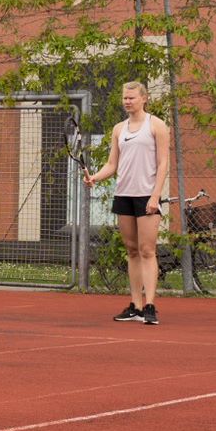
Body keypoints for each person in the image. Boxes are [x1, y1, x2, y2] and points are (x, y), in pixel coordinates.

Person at [83, 81, 170, 325]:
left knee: (147, 250)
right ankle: (136, 305)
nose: (127, 101)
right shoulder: (119, 129)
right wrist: (95, 178)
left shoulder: (157, 125)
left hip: (146, 196)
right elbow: (113, 164)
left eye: (131, 97)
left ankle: (150, 305)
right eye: (125, 98)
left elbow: (163, 163)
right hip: (124, 195)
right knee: (132, 250)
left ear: (144, 99)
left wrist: (155, 196)